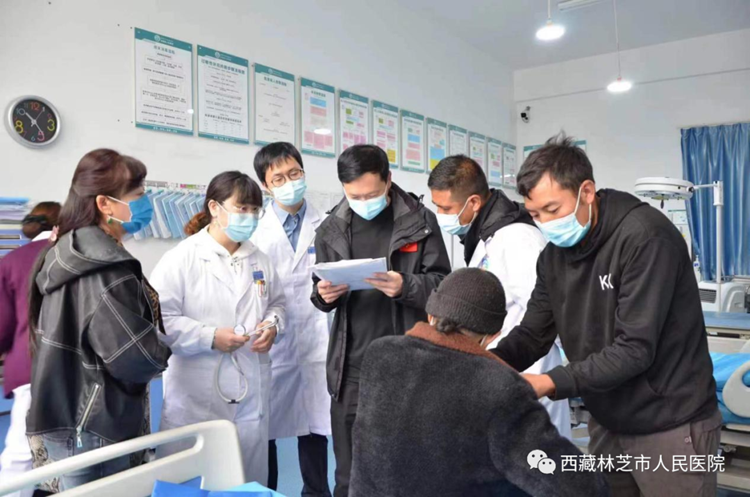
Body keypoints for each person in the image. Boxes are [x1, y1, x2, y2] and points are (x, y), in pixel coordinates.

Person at [491, 134, 721, 496]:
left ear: (586, 192)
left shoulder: (646, 238)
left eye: (553, 210)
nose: (546, 223)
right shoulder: (552, 258)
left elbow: (634, 349)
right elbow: (532, 333)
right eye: (535, 215)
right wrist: (486, 364)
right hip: (607, 419)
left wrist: (549, 382)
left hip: (670, 421)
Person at [349, 268, 609, 497]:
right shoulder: (498, 388)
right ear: (493, 335)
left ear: (430, 314)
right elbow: (574, 485)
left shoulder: (380, 355)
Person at [25, 149, 171, 492]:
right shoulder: (106, 269)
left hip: (65, 410)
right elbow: (132, 356)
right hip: (96, 421)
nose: (145, 203)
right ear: (105, 204)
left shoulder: (67, 250)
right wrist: (164, 347)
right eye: (137, 194)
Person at [311, 144, 451, 497]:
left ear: (388, 180)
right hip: (351, 366)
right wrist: (324, 296)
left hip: (408, 363)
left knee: (408, 469)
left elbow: (442, 287)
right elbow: (318, 289)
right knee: (349, 474)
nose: (364, 202)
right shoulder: (330, 229)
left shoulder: (419, 223)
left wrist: (406, 285)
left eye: (371, 194)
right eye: (354, 196)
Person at [150, 171, 285, 485]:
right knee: (192, 481)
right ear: (214, 207)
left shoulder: (260, 260)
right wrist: (209, 336)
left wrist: (272, 326)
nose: (249, 217)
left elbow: (278, 304)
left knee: (245, 480)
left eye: (255, 210)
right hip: (196, 392)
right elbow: (160, 319)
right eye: (242, 208)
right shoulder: (182, 258)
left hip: (250, 387)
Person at [428, 155, 571, 439]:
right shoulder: (488, 236)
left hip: (528, 373)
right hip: (498, 369)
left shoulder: (518, 239)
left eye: (446, 208)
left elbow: (546, 315)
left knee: (538, 458)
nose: (440, 215)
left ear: (473, 202)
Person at [251, 143, 331, 496]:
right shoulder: (255, 230)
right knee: (265, 427)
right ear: (265, 185)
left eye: (294, 173)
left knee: (315, 425)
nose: (289, 182)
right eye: (278, 178)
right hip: (272, 341)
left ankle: (316, 492)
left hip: (318, 338)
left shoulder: (327, 224)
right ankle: (266, 492)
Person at [0, 201, 60, 497]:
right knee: (76, 450)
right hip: (78, 367)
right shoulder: (72, 254)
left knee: (20, 453)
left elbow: (3, 324)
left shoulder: (11, 261)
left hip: (30, 365)